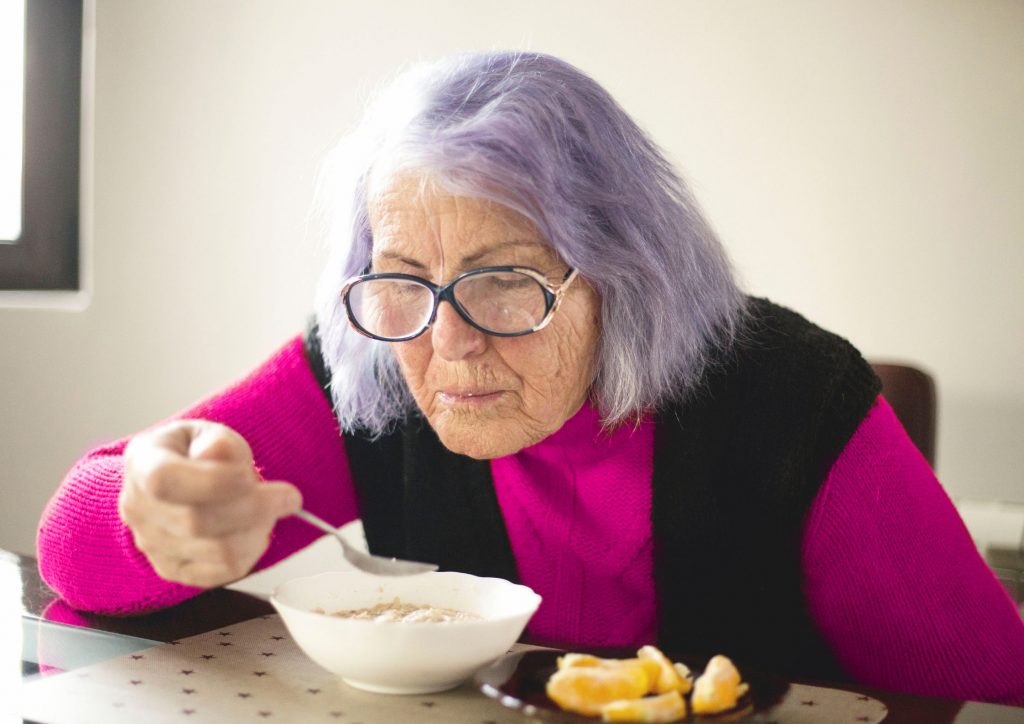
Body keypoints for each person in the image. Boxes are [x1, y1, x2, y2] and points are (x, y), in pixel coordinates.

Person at [38, 51, 1024, 704]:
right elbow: (72, 556)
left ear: (623, 275)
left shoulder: (794, 403)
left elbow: (993, 693)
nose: (449, 344)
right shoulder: (374, 355)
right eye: (401, 280)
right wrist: (149, 513)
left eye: (503, 282)